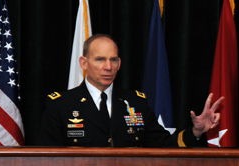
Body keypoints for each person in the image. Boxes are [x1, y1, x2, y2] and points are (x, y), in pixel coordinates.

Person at [40, 34, 224, 147]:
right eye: (100, 59)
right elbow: (50, 159)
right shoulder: (61, 105)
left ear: (119, 64)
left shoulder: (136, 103)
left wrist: (196, 131)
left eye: (113, 60)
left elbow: (164, 145)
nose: (107, 67)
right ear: (83, 63)